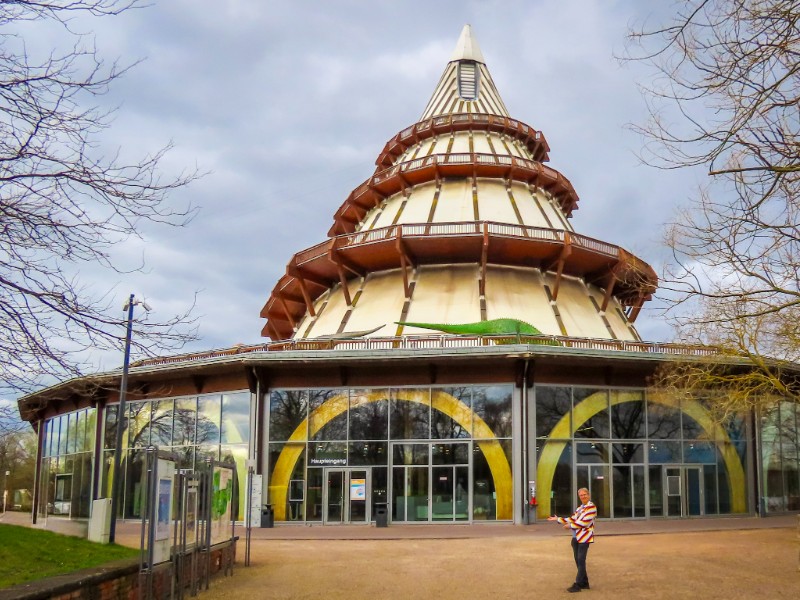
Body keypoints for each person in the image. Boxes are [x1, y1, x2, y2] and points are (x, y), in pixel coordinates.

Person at [547, 488, 596, 593]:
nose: (583, 497)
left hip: (584, 537)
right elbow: (572, 518)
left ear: (589, 495)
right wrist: (558, 519)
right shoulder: (580, 508)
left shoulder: (591, 508)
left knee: (581, 560)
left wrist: (570, 526)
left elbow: (584, 523)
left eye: (585, 495)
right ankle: (585, 583)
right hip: (576, 537)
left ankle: (578, 584)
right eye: (581, 495)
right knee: (578, 561)